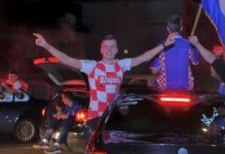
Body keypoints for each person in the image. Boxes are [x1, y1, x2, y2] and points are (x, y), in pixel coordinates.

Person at [33, 31, 175, 132]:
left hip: (113, 116)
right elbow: (66, 60)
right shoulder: (92, 66)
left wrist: (165, 44)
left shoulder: (121, 65)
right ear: (101, 50)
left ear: (117, 50)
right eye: (106, 46)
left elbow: (144, 57)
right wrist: (46, 45)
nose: (109, 49)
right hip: (97, 117)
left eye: (112, 46)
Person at [150, 15, 199, 90]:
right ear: (181, 28)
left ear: (167, 28)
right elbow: (196, 62)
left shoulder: (160, 46)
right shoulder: (190, 44)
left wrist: (163, 67)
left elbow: (154, 71)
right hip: (186, 90)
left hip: (165, 90)